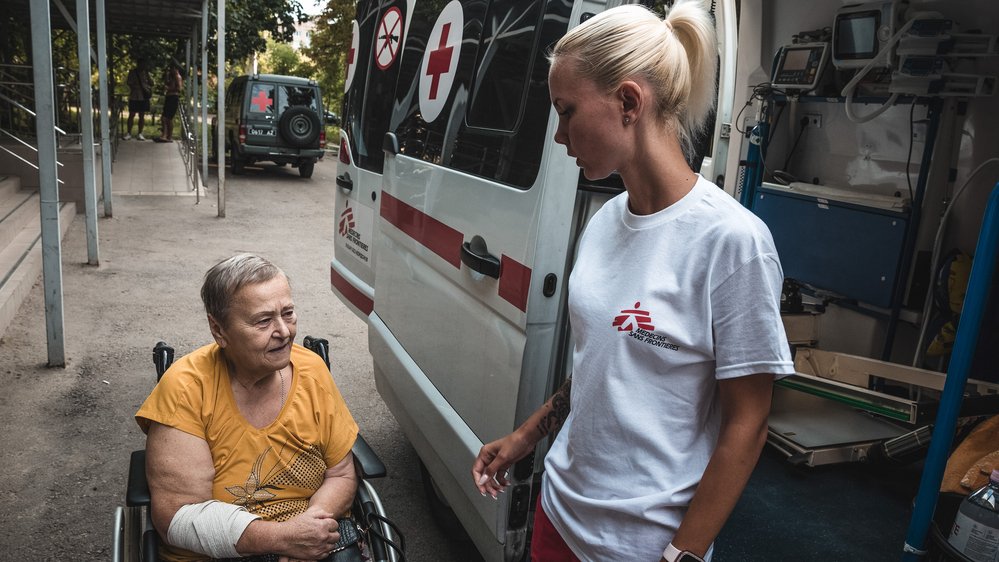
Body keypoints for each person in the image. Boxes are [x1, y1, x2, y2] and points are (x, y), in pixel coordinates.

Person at [471, 3, 795, 562]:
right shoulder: (603, 223)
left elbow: (749, 422)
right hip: (560, 514)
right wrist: (527, 436)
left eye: (566, 111)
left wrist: (683, 554)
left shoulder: (732, 242)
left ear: (628, 102)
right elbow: (600, 363)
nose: (558, 135)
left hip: (642, 547)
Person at [136, 253, 359, 561]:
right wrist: (281, 538)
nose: (284, 331)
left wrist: (308, 531)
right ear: (219, 331)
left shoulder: (312, 371)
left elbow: (341, 474)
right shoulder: (185, 390)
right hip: (220, 552)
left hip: (312, 537)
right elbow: (179, 517)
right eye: (264, 321)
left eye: (288, 313)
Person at [124, 58, 152, 140]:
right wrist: (136, 86)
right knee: (131, 114)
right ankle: (129, 133)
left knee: (142, 115)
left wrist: (147, 76)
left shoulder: (146, 73)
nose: (143, 66)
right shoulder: (132, 72)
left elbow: (151, 83)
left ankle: (140, 133)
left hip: (143, 97)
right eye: (142, 64)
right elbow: (129, 83)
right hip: (134, 96)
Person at [156, 63, 183, 143]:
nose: (170, 70)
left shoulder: (178, 77)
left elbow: (179, 89)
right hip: (169, 97)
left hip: (173, 98)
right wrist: (167, 76)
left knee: (167, 118)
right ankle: (165, 135)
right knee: (164, 118)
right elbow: (166, 83)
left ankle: (168, 136)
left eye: (172, 69)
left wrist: (169, 89)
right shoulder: (171, 77)